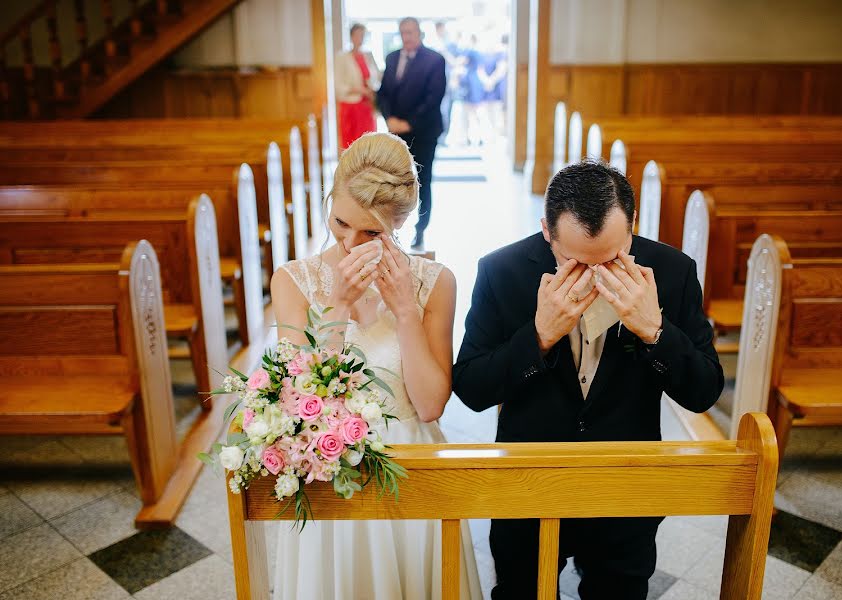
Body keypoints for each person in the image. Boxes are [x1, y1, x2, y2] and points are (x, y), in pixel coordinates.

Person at [453, 160, 724, 599]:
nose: (597, 276)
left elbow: (704, 391)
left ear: (633, 224)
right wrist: (538, 337)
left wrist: (655, 332)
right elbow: (471, 388)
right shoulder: (502, 272)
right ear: (547, 231)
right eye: (574, 261)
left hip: (626, 486)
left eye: (613, 258)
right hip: (529, 485)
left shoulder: (673, 272)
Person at [271, 132, 482, 600]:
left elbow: (429, 406)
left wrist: (405, 310)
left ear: (401, 224)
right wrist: (336, 306)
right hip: (328, 467)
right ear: (330, 198)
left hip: (411, 467)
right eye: (340, 222)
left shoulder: (436, 282)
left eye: (370, 233)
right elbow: (300, 404)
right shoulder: (292, 281)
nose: (349, 244)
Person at [377, 17, 447, 250]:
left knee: (423, 180)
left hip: (424, 131)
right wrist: (390, 119)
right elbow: (383, 93)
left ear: (419, 33)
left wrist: (408, 123)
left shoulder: (435, 60)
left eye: (411, 32)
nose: (407, 37)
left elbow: (434, 97)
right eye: (403, 32)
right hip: (396, 131)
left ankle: (421, 229)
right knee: (394, 179)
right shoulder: (392, 57)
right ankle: (392, 227)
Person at [335, 23, 379, 150]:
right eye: (357, 35)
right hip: (351, 106)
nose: (360, 38)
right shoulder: (342, 57)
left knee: (369, 144)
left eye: (362, 35)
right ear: (351, 36)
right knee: (352, 145)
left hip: (367, 107)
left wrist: (371, 89)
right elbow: (338, 84)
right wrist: (359, 90)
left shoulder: (368, 56)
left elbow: (374, 78)